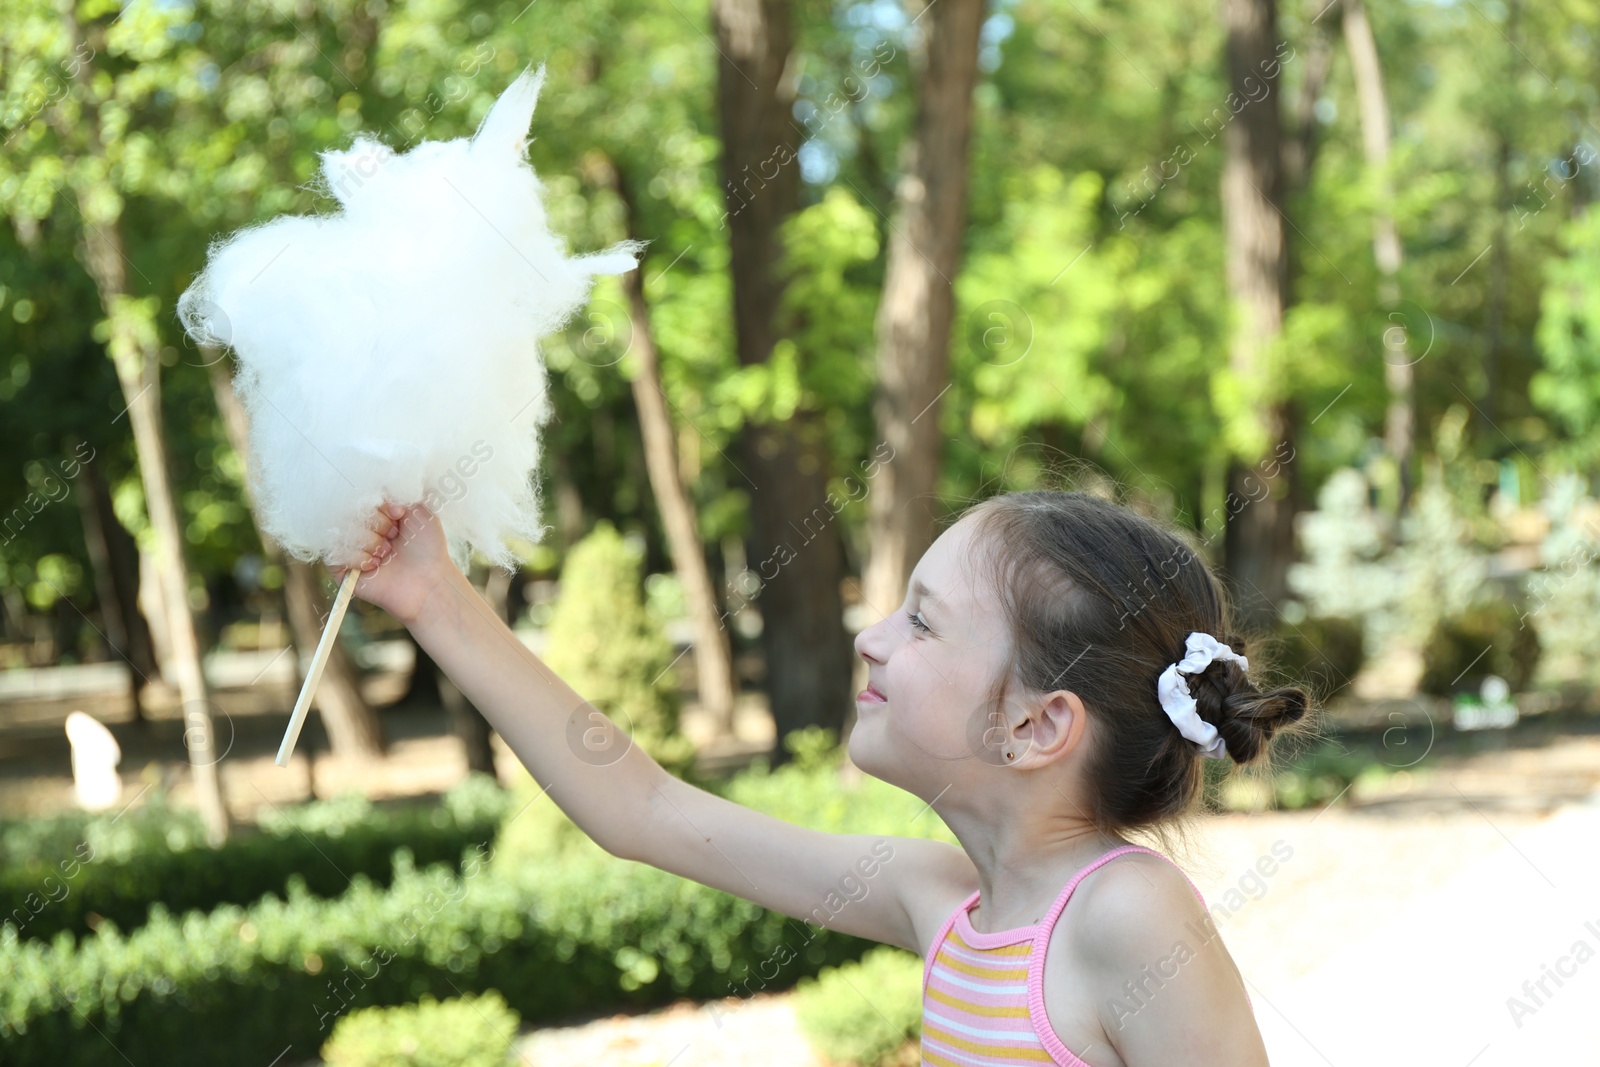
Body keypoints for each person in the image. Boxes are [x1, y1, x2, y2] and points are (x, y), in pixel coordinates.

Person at [336, 488, 1307, 1066]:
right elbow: (643, 807)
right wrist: (435, 600)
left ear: (1033, 722)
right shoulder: (947, 904)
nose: (868, 636)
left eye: (921, 620)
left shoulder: (1125, 913)